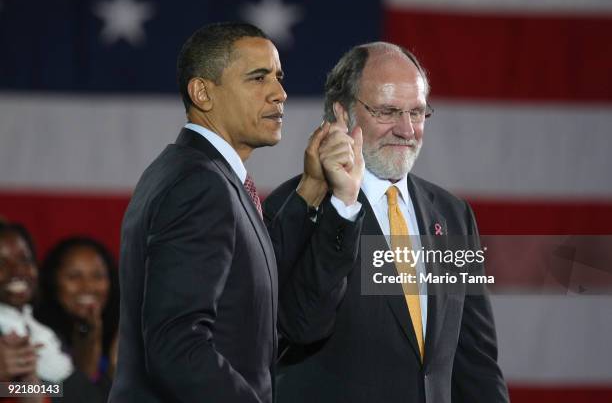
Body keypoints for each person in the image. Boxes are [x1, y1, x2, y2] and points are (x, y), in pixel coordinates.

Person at [108, 21, 362, 403]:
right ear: (202, 93)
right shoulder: (199, 185)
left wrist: (311, 187)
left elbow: (250, 277)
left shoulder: (198, 172)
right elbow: (177, 346)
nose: (280, 94)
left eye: (278, 77)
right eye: (258, 78)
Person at [263, 42, 510, 403]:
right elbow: (301, 326)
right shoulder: (294, 207)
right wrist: (343, 206)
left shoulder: (453, 215)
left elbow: (476, 361)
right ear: (342, 114)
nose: (407, 130)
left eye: (418, 112)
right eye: (389, 111)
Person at [0, 223, 104, 403]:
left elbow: (73, 388)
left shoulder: (44, 332)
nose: (17, 271)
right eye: (1, 263)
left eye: (24, 260)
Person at [34, 237, 119, 399]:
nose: (88, 286)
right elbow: (6, 390)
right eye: (74, 277)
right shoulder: (31, 333)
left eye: (97, 276)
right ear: (52, 281)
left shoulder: (120, 337)